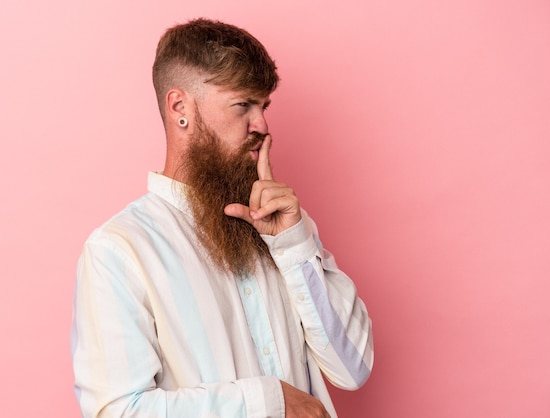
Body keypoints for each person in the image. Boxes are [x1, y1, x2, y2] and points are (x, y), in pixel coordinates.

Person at [71, 18, 374, 418]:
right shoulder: (119, 251)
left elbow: (353, 368)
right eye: (242, 105)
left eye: (264, 106)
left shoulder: (286, 226)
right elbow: (119, 411)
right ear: (180, 107)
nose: (262, 125)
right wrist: (267, 401)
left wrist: (294, 245)